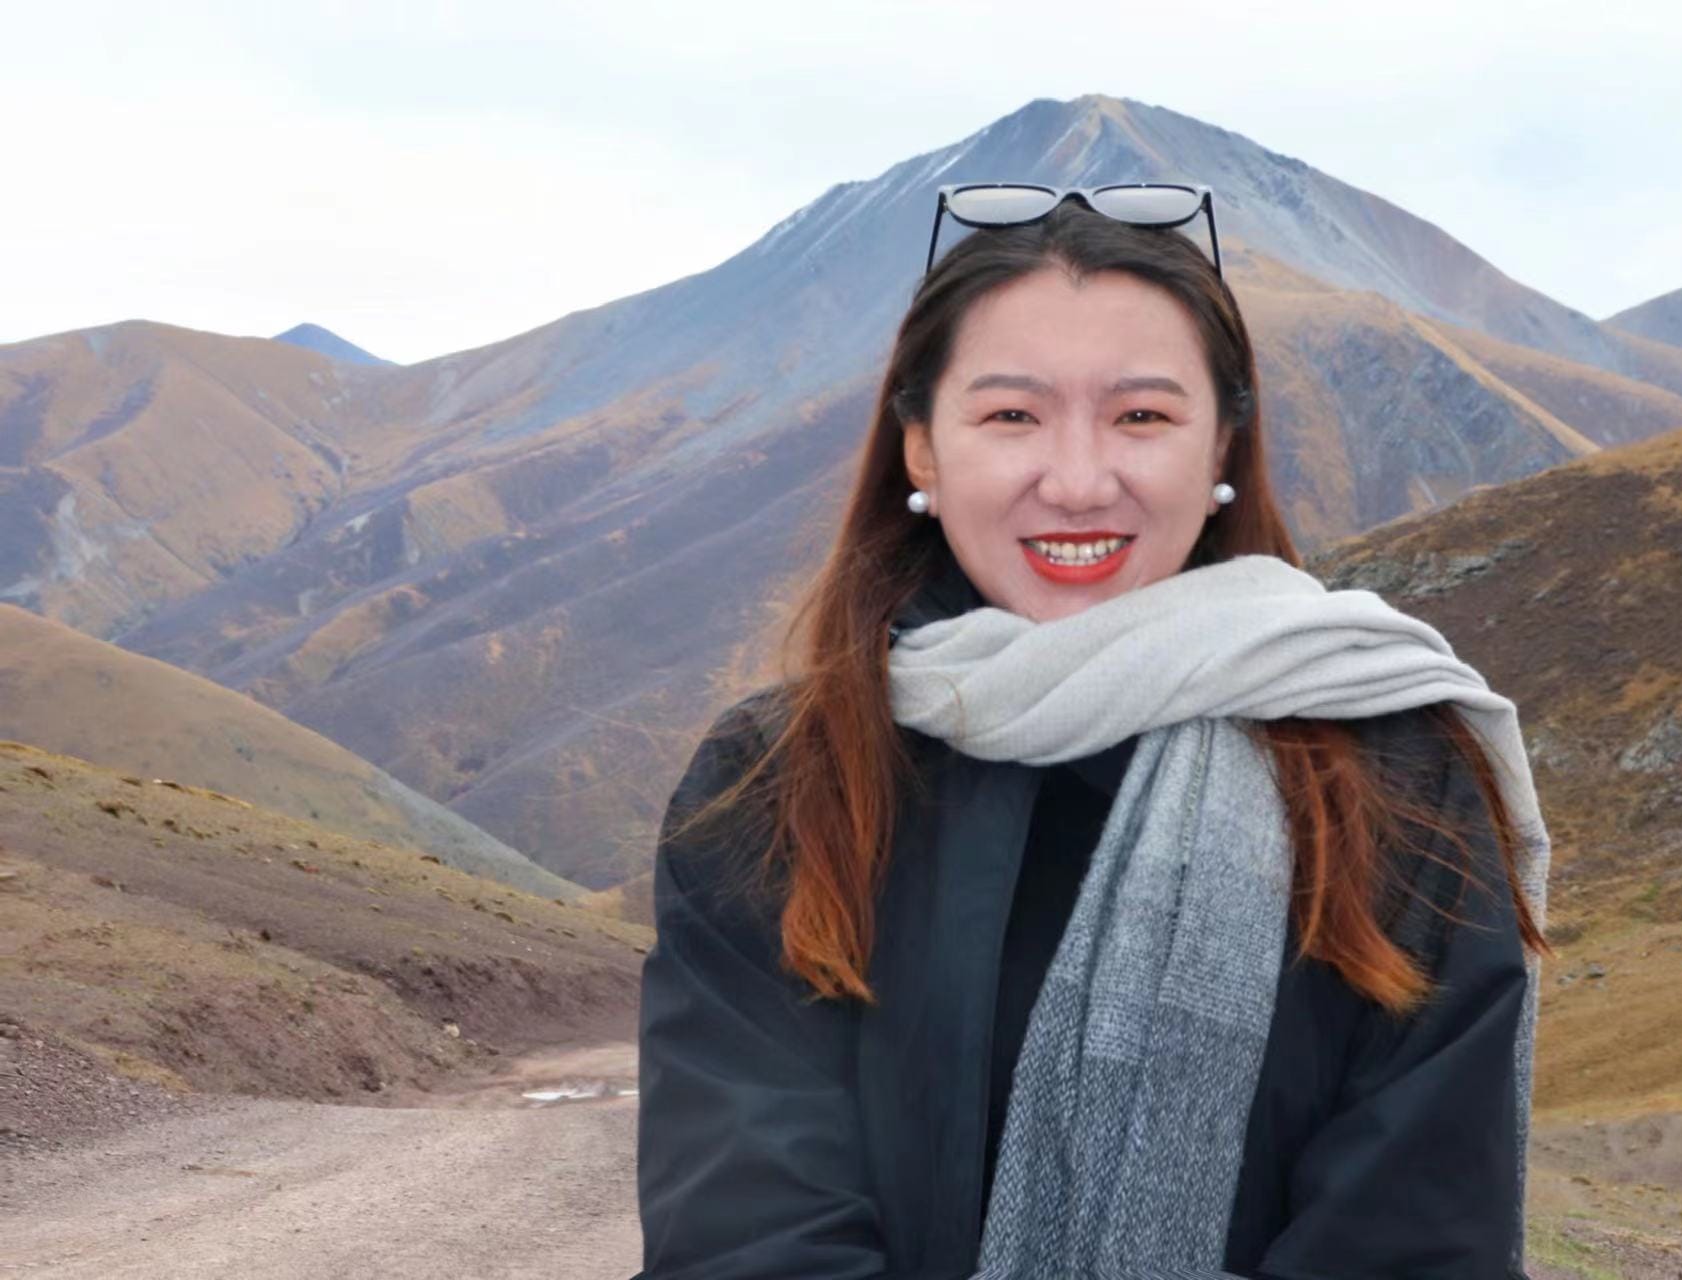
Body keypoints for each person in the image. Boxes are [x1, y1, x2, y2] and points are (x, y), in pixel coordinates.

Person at [633, 187, 1554, 1279]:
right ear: (921, 449)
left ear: (1223, 444)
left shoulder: (1391, 769)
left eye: (1142, 417)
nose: (1076, 481)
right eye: (1012, 416)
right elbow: (743, 1230)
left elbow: (1417, 1232)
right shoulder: (781, 777)